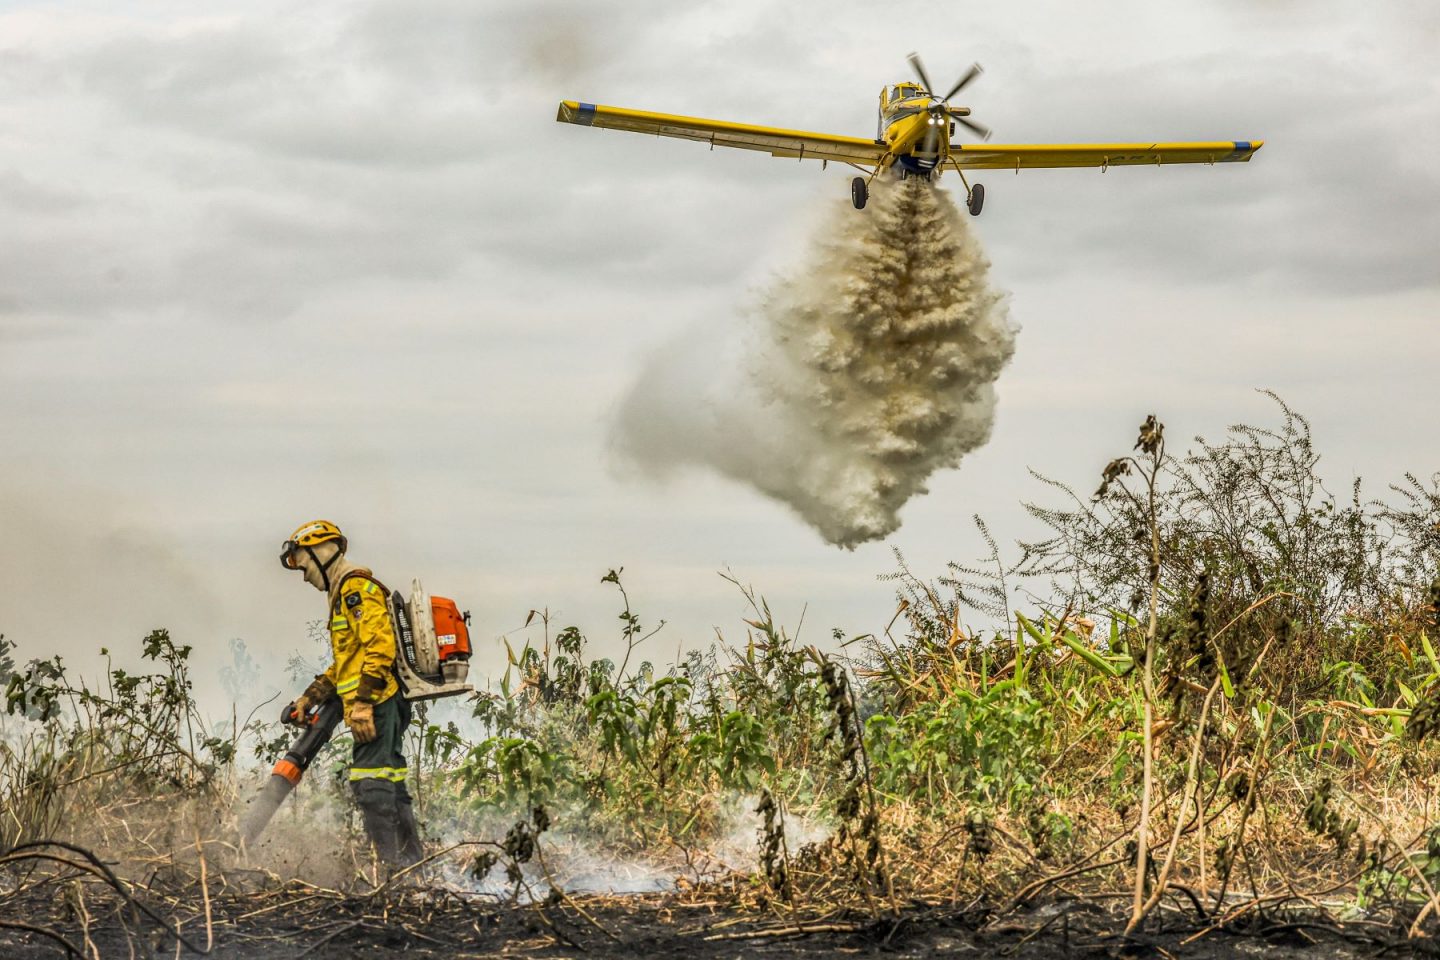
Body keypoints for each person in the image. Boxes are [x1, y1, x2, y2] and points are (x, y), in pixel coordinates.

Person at [279, 520, 422, 867]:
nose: (304, 576)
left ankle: (391, 876)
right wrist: (309, 698)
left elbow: (380, 646)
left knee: (370, 785)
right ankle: (411, 870)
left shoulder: (354, 589)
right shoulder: (343, 593)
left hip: (378, 702)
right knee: (390, 785)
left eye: (305, 564)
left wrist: (362, 703)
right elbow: (346, 665)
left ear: (323, 552)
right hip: (379, 702)